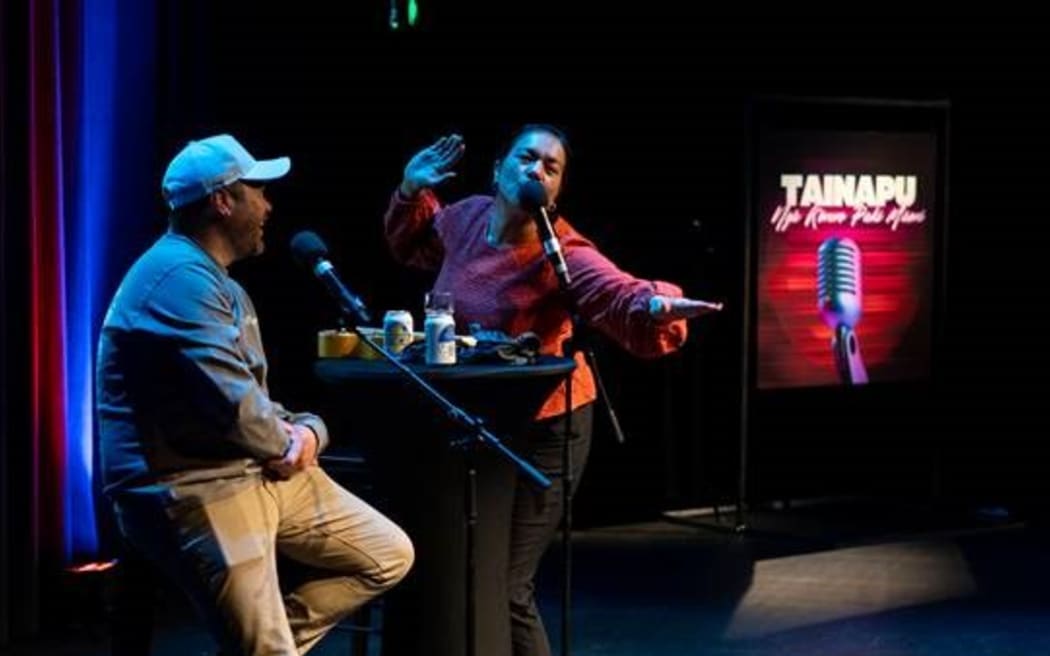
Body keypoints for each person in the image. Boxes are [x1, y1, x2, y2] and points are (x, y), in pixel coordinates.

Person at [383, 125, 720, 656]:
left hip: (547, 425)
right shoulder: (466, 218)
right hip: (482, 425)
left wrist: (655, 304)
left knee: (510, 585)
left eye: (550, 166)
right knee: (476, 573)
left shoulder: (561, 249)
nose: (535, 169)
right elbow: (413, 243)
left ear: (557, 190)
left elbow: (613, 290)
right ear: (499, 169)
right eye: (526, 157)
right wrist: (408, 189)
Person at [96, 134, 414, 655]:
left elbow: (253, 400)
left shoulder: (222, 286)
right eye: (258, 191)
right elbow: (238, 412)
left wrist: (310, 429)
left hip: (252, 468)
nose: (268, 205)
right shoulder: (176, 279)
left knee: (387, 553)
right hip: (196, 486)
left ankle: (264, 646)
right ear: (223, 201)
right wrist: (286, 443)